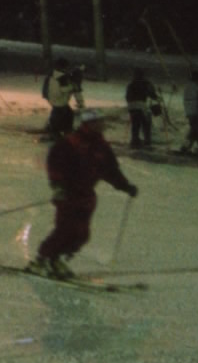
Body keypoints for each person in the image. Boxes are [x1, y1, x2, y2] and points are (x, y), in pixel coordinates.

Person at [31, 108, 138, 279]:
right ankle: (41, 260)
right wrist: (58, 187)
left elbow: (111, 171)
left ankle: (56, 259)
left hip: (86, 196)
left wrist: (125, 186)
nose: (102, 125)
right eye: (99, 122)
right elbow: (55, 164)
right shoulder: (71, 143)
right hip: (68, 194)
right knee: (65, 229)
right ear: (89, 123)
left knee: (81, 234)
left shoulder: (101, 146)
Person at [43, 58, 84, 138]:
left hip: (58, 99)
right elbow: (62, 89)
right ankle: (55, 130)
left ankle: (61, 129)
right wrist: (72, 87)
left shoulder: (60, 76)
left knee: (66, 113)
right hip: (58, 99)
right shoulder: (60, 77)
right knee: (59, 113)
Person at [124, 67, 160, 148]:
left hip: (132, 105)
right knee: (146, 123)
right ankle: (147, 140)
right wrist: (156, 97)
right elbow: (152, 94)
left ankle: (135, 140)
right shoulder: (146, 83)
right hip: (142, 105)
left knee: (135, 124)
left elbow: (127, 97)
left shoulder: (131, 84)